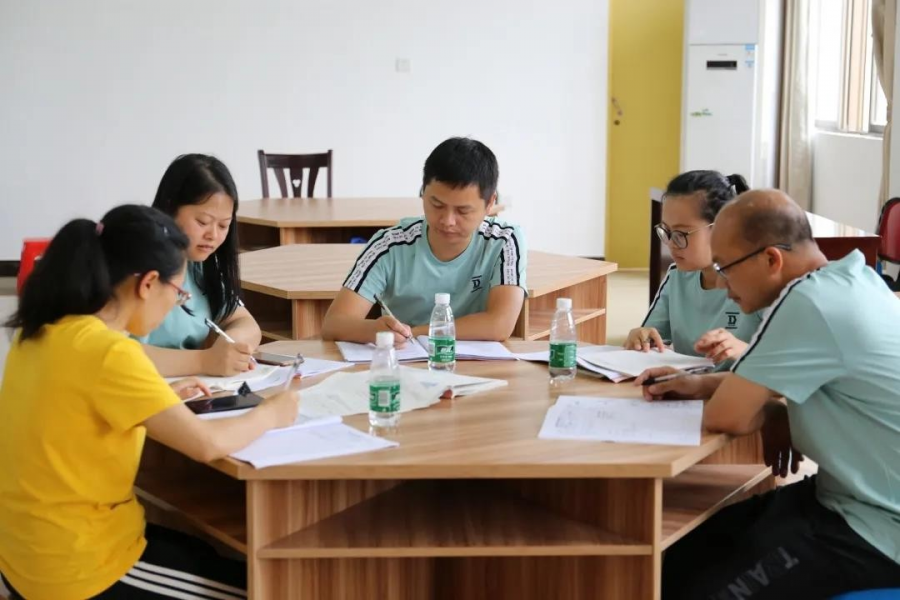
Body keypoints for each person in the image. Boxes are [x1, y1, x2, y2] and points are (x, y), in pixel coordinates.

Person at [0, 205, 297, 600]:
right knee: (260, 589)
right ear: (148, 283)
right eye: (178, 292)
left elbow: (73, 410)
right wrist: (272, 413)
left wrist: (158, 401)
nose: (176, 303)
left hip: (24, 551)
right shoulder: (110, 351)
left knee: (205, 552)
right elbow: (205, 445)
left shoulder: (45, 330)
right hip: (76, 568)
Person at [637, 190, 900, 598]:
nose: (724, 287)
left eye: (726, 268)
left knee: (704, 588)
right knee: (687, 552)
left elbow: (729, 417)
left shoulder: (808, 302)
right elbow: (772, 386)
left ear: (771, 260)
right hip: (845, 497)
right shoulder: (850, 278)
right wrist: (703, 384)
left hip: (879, 529)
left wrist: (774, 411)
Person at [321, 137, 527, 344]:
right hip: (404, 366)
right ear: (423, 192)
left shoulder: (504, 240)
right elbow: (334, 324)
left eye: (463, 210)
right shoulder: (389, 245)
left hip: (476, 367)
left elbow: (500, 325)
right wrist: (372, 329)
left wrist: (416, 331)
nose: (447, 221)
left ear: (490, 202)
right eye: (436, 205)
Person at [626, 170, 762, 367]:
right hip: (687, 389)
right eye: (667, 231)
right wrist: (640, 336)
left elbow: (785, 366)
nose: (671, 244)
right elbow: (652, 336)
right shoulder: (678, 277)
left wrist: (742, 350)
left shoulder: (760, 284)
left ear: (722, 228)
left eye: (682, 233)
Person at [142, 154, 261, 377]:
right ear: (170, 208)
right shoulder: (135, 264)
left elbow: (245, 323)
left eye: (224, 225)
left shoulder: (198, 265)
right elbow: (115, 355)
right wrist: (204, 361)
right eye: (202, 222)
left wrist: (231, 348)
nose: (213, 235)